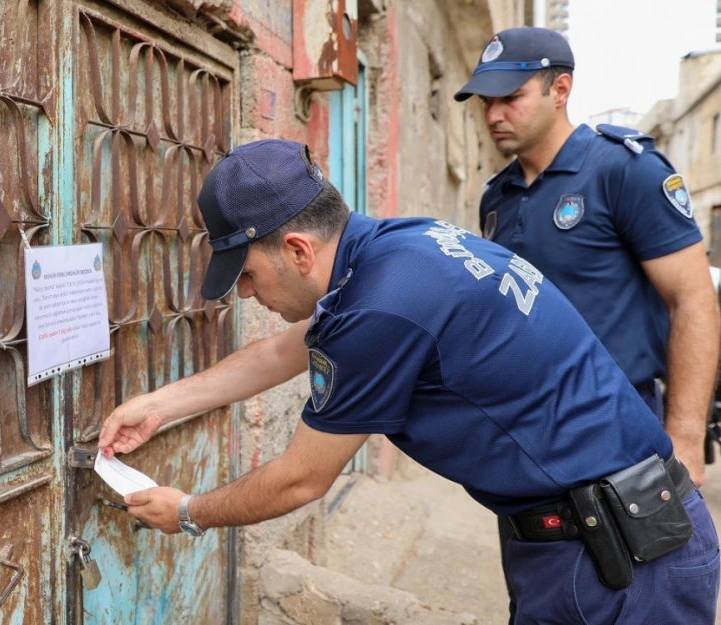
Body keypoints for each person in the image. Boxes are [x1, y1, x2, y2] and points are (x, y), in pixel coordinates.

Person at [98, 139, 719, 624]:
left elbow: (302, 478)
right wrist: (161, 403)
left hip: (623, 561)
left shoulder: (382, 307)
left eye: (249, 275)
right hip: (599, 536)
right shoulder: (400, 246)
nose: (249, 294)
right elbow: (288, 349)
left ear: (295, 250)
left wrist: (188, 512)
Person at [453, 27, 721, 621]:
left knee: (644, 596)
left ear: (560, 88)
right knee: (547, 597)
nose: (494, 115)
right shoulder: (498, 198)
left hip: (622, 431)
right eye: (485, 102)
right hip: (532, 442)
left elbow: (694, 300)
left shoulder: (622, 171)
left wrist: (682, 439)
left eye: (510, 97)